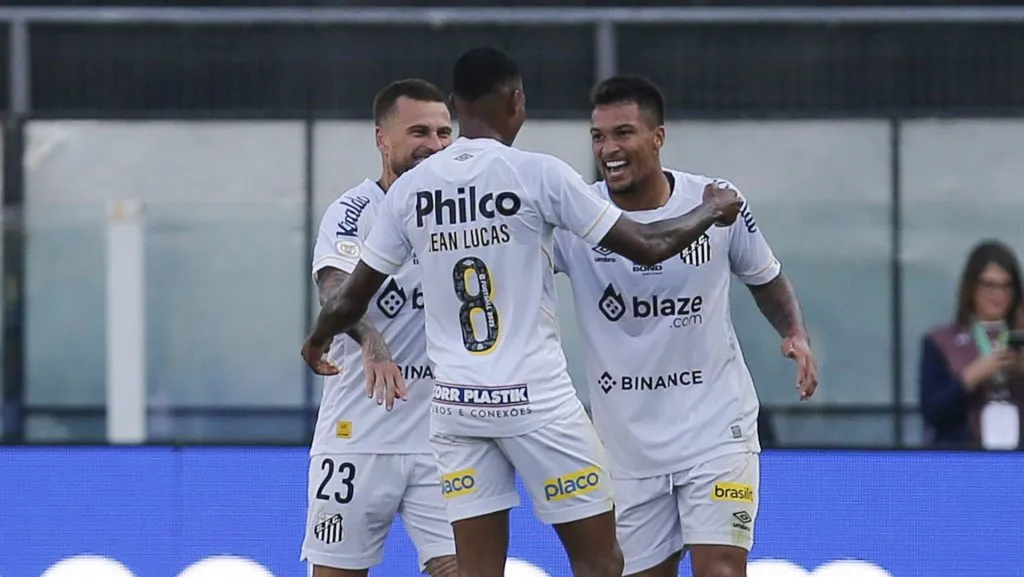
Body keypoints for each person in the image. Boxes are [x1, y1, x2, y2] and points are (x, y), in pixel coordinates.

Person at [300, 47, 744, 577]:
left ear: (457, 108)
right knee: (603, 562)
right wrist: (711, 209)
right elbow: (647, 245)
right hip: (535, 404)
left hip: (457, 410)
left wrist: (317, 338)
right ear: (517, 103)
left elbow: (349, 297)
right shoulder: (538, 174)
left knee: (476, 571)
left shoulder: (411, 192)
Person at [553, 75, 819, 577]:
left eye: (623, 133)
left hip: (716, 429)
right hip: (628, 447)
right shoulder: (576, 216)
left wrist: (794, 331)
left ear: (658, 137)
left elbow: (765, 277)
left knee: (720, 569)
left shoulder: (718, 200)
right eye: (598, 136)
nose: (608, 149)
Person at [300, 78, 458, 577]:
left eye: (442, 132)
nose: (433, 145)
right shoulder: (354, 211)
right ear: (382, 139)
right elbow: (335, 289)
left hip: (444, 438)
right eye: (418, 132)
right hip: (359, 436)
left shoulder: (464, 214)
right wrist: (371, 338)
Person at [919, 240, 1024, 450]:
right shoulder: (941, 342)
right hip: (964, 463)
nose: (999, 295)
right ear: (971, 287)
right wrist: (971, 377)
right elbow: (933, 413)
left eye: (1006, 286)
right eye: (989, 285)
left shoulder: (1019, 338)